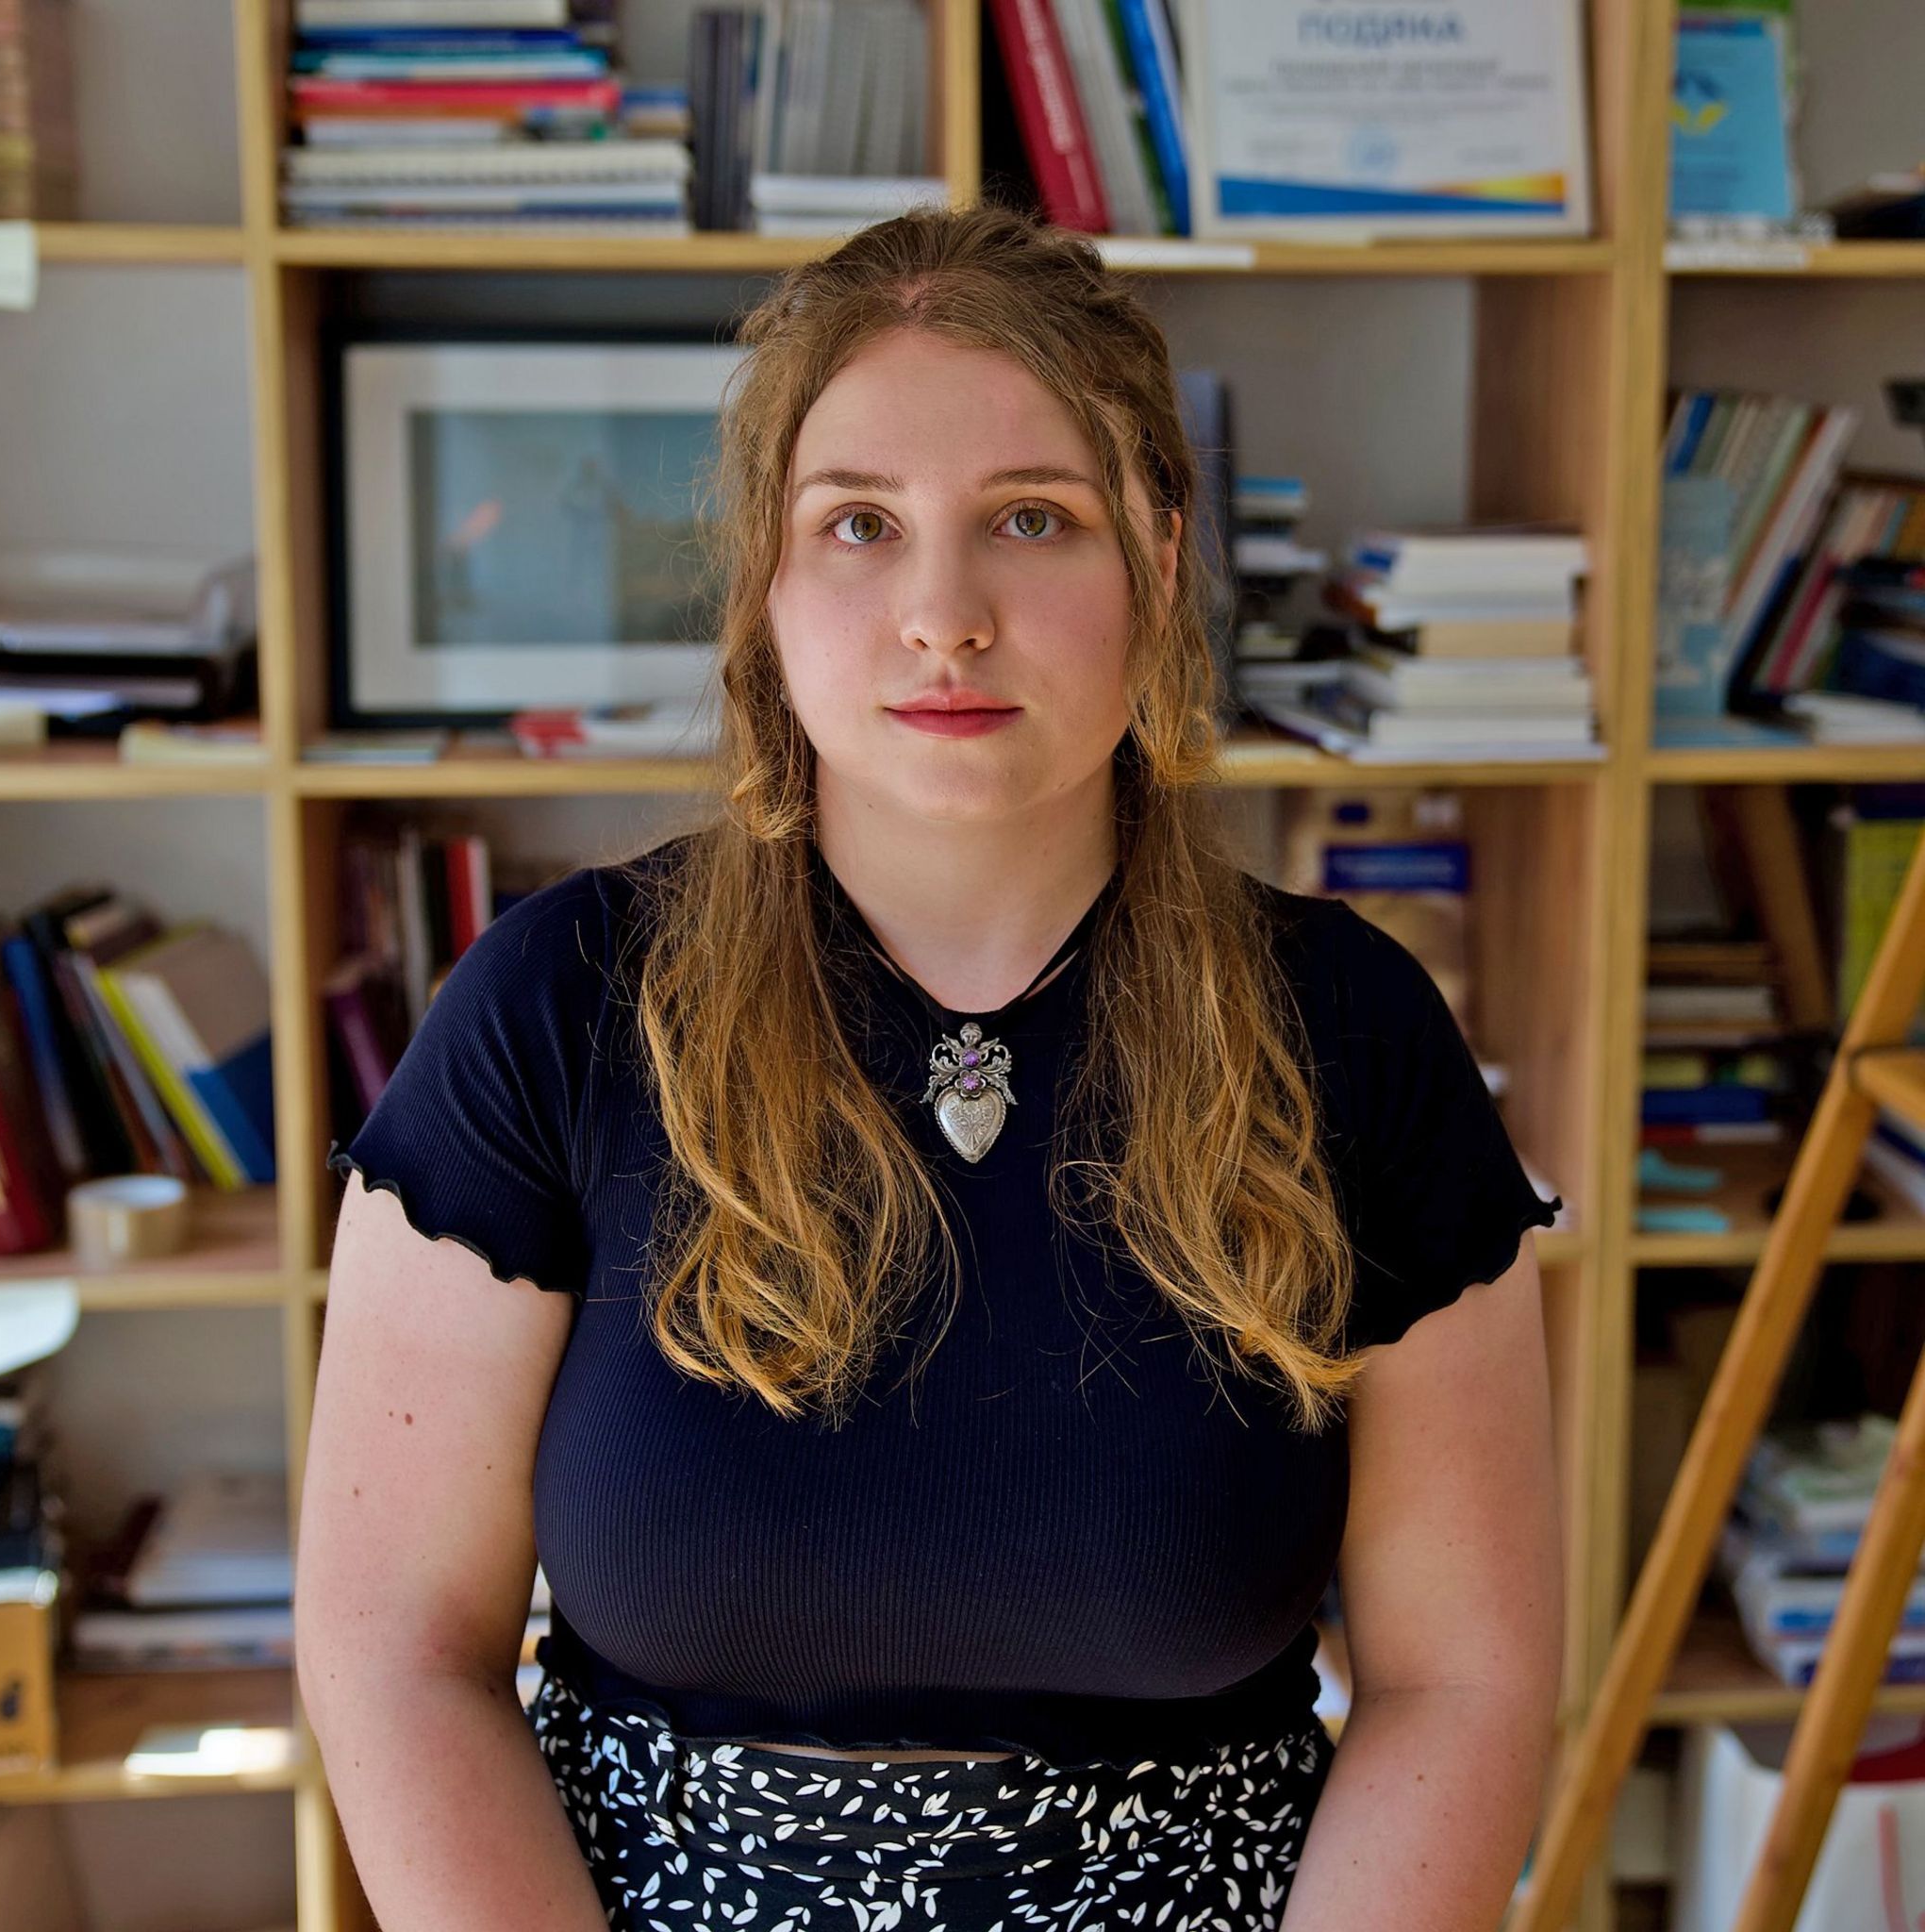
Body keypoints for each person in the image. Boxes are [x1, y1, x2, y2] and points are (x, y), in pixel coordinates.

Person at [298, 202, 1565, 1932]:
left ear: (1162, 559)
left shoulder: (1350, 1035)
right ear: (765, 578)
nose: (942, 616)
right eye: (861, 527)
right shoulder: (556, 1009)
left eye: (1032, 520)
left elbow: (1463, 1682)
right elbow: (395, 1654)